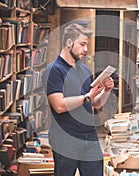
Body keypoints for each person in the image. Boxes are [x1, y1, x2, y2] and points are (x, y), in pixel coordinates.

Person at [42, 23, 114, 176]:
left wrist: (106, 91)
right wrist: (87, 97)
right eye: (82, 44)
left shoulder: (84, 69)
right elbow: (59, 106)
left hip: (89, 135)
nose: (86, 49)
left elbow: (94, 104)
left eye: (87, 45)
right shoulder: (54, 70)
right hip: (65, 138)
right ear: (69, 43)